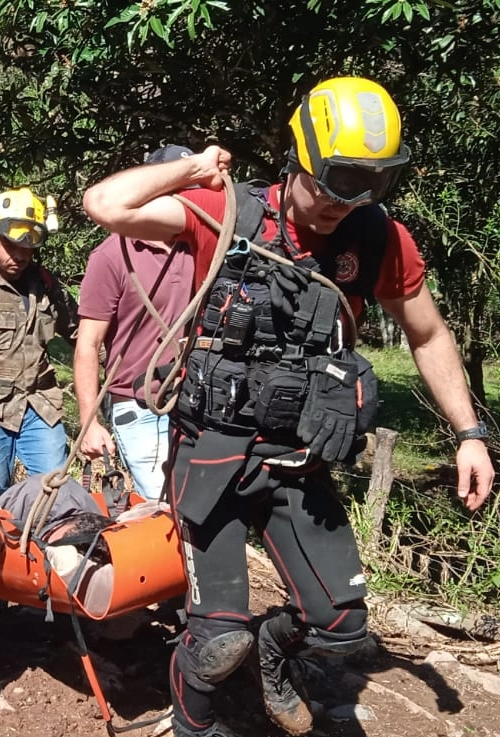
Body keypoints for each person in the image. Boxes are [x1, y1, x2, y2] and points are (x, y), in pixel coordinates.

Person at [82, 77, 495, 737]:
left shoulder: (378, 239)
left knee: (341, 628)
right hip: (210, 449)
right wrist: (191, 167)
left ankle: (272, 654)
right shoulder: (225, 214)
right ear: (298, 153)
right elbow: (102, 203)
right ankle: (195, 723)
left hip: (298, 457)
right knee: (216, 643)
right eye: (335, 177)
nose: (347, 198)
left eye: (371, 181)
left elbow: (427, 333)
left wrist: (467, 432)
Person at [75, 145, 195, 500]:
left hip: (191, 402)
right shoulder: (112, 255)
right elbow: (87, 345)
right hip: (138, 406)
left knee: (199, 510)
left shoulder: (200, 245)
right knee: (165, 506)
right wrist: (88, 423)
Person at [0, 188, 79, 497]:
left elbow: (80, 333)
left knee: (56, 494)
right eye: (11, 245)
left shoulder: (47, 286)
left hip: (40, 405)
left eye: (28, 247)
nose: (20, 255)